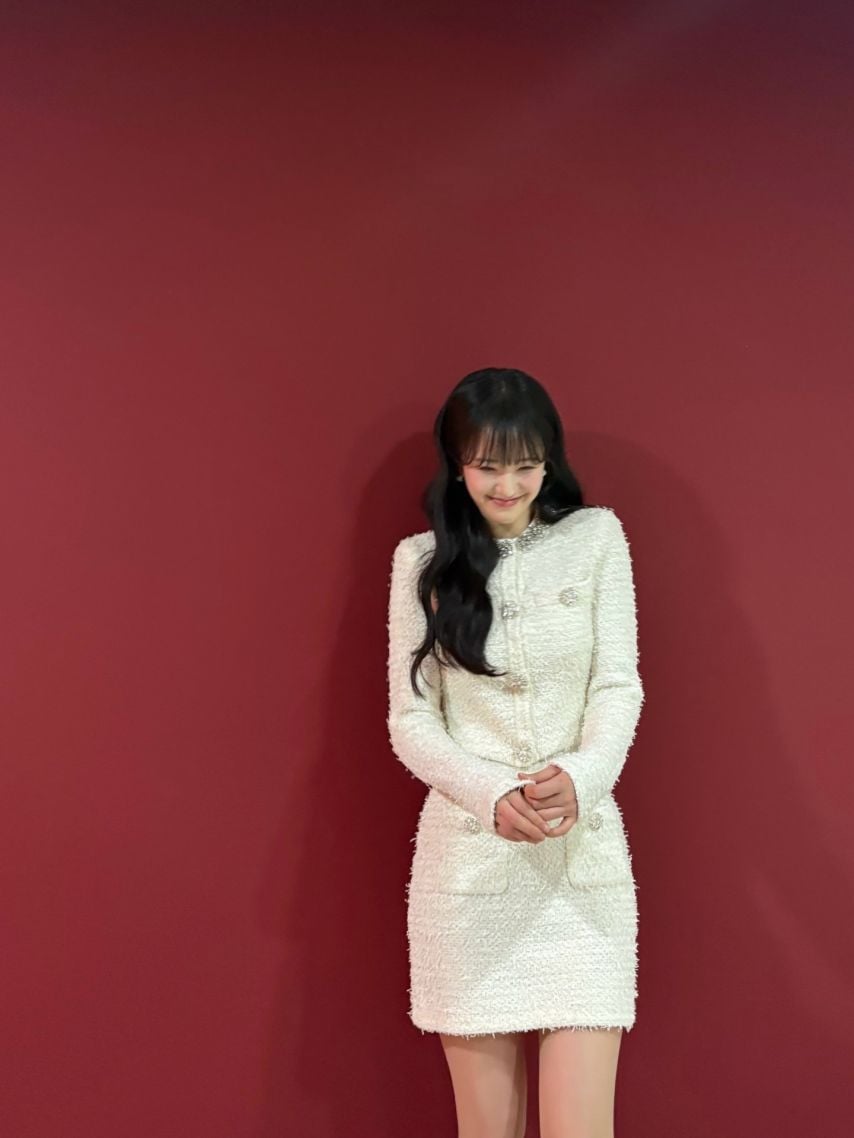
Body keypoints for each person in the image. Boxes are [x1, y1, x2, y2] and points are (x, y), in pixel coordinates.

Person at [385, 367, 645, 1138]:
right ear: (457, 464)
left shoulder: (596, 539)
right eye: (488, 466)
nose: (508, 486)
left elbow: (618, 685)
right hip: (472, 871)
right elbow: (410, 720)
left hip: (580, 867)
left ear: (549, 460)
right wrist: (489, 791)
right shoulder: (421, 564)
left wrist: (583, 775)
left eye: (526, 465)